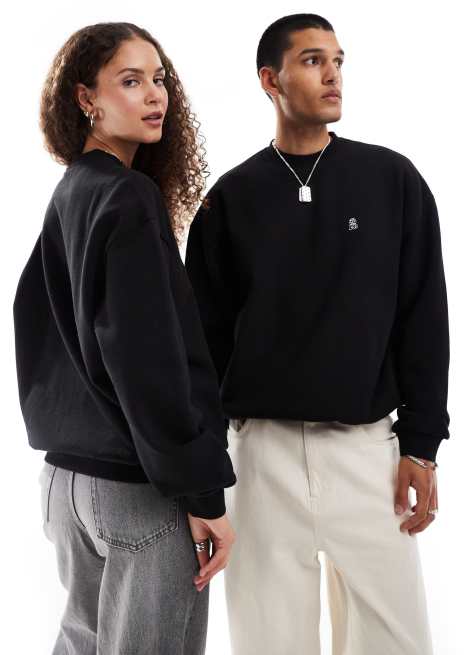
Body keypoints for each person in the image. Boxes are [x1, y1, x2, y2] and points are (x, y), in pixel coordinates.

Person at [184, 13, 449, 655]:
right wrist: (203, 479)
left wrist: (421, 447)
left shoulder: (392, 181)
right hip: (260, 459)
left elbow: (424, 318)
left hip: (368, 453)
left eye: (337, 60)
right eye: (311, 60)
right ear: (269, 80)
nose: (332, 74)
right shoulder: (229, 200)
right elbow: (201, 353)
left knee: (398, 642)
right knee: (268, 643)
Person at [12, 22, 236, 655]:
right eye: (131, 81)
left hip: (65, 486)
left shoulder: (72, 191)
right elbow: (148, 360)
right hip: (137, 490)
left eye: (158, 80)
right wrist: (202, 491)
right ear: (87, 98)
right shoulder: (128, 195)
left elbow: (36, 325)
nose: (155, 95)